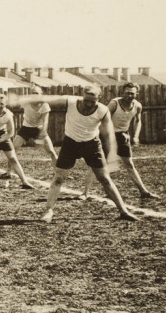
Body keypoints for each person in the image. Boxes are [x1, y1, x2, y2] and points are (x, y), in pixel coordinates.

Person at [11, 84, 139, 222]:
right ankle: (48, 211)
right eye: (86, 100)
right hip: (70, 143)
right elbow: (50, 98)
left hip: (91, 144)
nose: (89, 104)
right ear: (82, 96)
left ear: (99, 98)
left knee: (105, 179)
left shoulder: (103, 111)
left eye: (93, 101)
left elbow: (108, 135)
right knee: (59, 178)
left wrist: (112, 157)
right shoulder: (71, 101)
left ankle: (123, 211)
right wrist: (21, 99)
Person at [81, 83, 160, 199]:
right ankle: (84, 193)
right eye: (127, 93)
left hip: (122, 135)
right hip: (107, 135)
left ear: (136, 94)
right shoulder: (115, 103)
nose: (129, 95)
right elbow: (103, 118)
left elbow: (138, 121)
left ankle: (144, 192)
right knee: (97, 163)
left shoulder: (137, 106)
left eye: (132, 93)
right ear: (123, 93)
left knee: (129, 164)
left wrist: (136, 136)